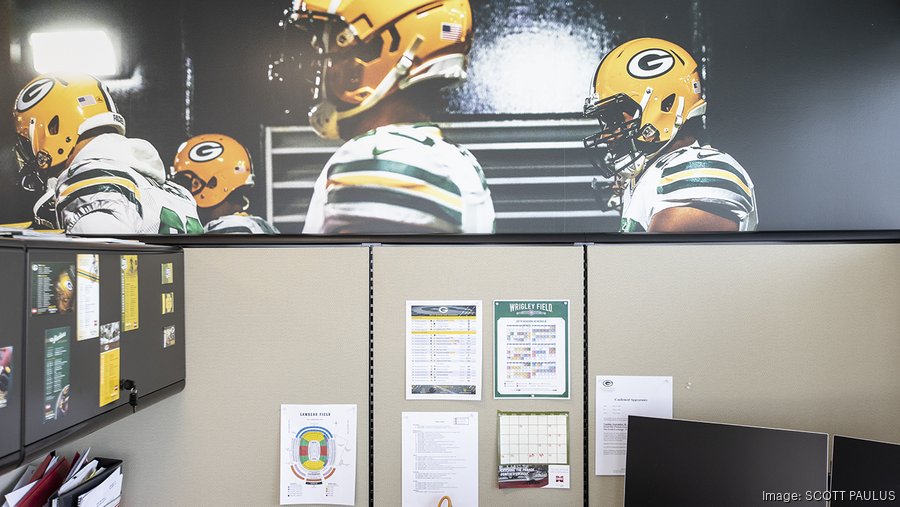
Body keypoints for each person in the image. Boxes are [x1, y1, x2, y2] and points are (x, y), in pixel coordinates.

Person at [290, 0, 495, 234]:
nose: (323, 65)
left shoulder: (380, 157)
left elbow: (368, 269)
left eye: (336, 46)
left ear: (386, 49)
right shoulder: (447, 157)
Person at [583, 38, 758, 232]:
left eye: (614, 118)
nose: (606, 134)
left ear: (666, 104)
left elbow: (658, 259)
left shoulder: (698, 170)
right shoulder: (651, 173)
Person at [13, 74, 202, 234]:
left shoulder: (92, 183)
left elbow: (101, 271)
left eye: (27, 141)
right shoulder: (175, 191)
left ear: (53, 129)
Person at [171, 134, 279, 234]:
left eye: (185, 182)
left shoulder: (231, 229)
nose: (182, 189)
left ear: (212, 184)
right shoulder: (257, 224)